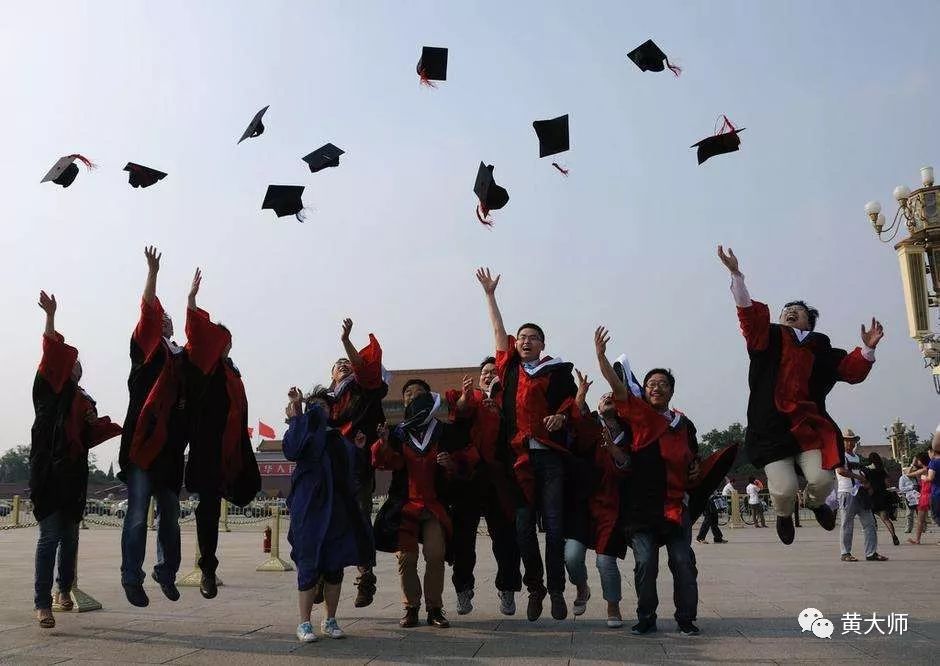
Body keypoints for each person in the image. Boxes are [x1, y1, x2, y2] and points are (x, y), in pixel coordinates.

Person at [717, 246, 883, 545]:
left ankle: (817, 503)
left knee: (822, 480)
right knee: (781, 489)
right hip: (771, 429)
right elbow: (747, 315)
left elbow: (850, 370)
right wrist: (736, 275)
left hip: (807, 427)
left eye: (799, 311)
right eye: (787, 311)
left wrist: (868, 349)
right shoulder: (767, 338)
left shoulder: (820, 346)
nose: (791, 312)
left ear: (809, 322)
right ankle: (783, 514)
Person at [593, 326, 736, 637]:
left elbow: (693, 459)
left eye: (663, 384)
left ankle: (686, 619)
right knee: (645, 563)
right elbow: (616, 387)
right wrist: (602, 358)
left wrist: (695, 471)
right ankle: (646, 617)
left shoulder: (684, 424)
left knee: (683, 562)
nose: (656, 388)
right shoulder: (640, 414)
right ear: (644, 391)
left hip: (675, 506)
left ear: (672, 391)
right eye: (651, 384)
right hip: (641, 510)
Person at [476, 267, 579, 622]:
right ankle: (534, 586)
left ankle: (555, 590)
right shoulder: (508, 369)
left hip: (549, 459)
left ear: (542, 344)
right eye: (521, 337)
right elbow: (496, 332)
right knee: (522, 527)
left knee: (553, 527)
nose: (525, 341)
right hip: (518, 460)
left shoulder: (557, 371)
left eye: (532, 337)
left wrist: (561, 417)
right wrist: (490, 296)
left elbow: (571, 403)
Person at [30, 291, 122, 628]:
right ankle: (43, 604)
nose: (75, 368)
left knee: (70, 537)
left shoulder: (83, 400)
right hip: (48, 472)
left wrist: (100, 425)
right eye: (70, 365)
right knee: (50, 536)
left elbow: (87, 434)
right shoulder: (47, 392)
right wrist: (51, 316)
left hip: (73, 476)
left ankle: (63, 590)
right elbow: (50, 351)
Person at [183, 269, 262, 598]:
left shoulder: (232, 371)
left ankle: (209, 565)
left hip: (232, 446)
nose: (224, 344)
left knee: (243, 490)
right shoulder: (204, 366)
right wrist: (191, 300)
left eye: (227, 341)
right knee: (209, 509)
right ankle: (208, 569)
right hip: (207, 446)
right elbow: (195, 335)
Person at [119, 247, 189, 607]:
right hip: (143, 443)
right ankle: (132, 576)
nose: (162, 320)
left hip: (171, 449)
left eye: (167, 319)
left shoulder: (180, 358)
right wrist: (153, 272)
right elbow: (147, 308)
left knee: (171, 515)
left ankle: (166, 570)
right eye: (157, 318)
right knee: (136, 513)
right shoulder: (147, 351)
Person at [372, 380, 471, 629]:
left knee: (436, 555)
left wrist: (451, 465)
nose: (412, 397)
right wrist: (383, 443)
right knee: (406, 558)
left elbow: (465, 464)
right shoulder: (397, 433)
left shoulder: (443, 432)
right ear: (403, 401)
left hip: (434, 505)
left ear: (430, 399)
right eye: (408, 394)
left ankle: (435, 608)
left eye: (419, 393)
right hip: (405, 506)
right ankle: (411, 607)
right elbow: (387, 462)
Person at [283, 386, 375, 643]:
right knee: (308, 563)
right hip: (309, 508)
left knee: (334, 565)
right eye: (315, 406)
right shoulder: (303, 430)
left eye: (324, 407)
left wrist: (357, 450)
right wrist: (298, 415)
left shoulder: (337, 438)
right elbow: (291, 449)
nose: (320, 410)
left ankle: (330, 619)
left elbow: (352, 474)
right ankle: (304, 623)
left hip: (336, 508)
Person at [444, 359, 522, 616]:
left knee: (505, 538)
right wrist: (467, 397)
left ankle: (507, 588)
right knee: (464, 538)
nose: (489, 376)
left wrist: (500, 410)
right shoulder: (470, 396)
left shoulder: (508, 399)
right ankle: (463, 588)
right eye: (485, 373)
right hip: (468, 478)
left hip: (498, 478)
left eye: (493, 372)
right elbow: (459, 410)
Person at [326, 318, 387, 608]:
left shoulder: (364, 389)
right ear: (331, 375)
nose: (345, 365)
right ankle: (321, 577)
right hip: (329, 468)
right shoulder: (325, 400)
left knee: (360, 518)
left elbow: (362, 368)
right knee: (326, 522)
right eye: (339, 364)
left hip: (358, 464)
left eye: (347, 362)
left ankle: (365, 578)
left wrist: (346, 342)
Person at [565, 372, 633, 628]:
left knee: (605, 560)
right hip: (584, 504)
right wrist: (580, 395)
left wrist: (614, 449)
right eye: (603, 396)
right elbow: (576, 422)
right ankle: (582, 588)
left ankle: (612, 605)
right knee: (572, 557)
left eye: (612, 396)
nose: (607, 397)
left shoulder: (631, 432)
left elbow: (629, 465)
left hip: (612, 506)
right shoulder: (592, 426)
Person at [836, 430, 886, 561]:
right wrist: (859, 477)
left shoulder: (856, 457)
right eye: (847, 440)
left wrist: (866, 484)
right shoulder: (840, 456)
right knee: (847, 524)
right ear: (843, 442)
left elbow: (860, 472)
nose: (850, 442)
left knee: (869, 523)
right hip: (847, 492)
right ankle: (845, 553)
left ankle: (871, 552)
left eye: (852, 440)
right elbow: (841, 471)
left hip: (860, 492)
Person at [864, 452, 900, 546]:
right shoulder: (882, 470)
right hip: (882, 496)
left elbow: (865, 482)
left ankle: (873, 538)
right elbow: (887, 483)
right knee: (886, 519)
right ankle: (894, 535)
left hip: (872, 496)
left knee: (871, 518)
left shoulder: (867, 470)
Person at [907, 451, 933, 544]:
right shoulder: (930, 469)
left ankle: (917, 539)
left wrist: (912, 463)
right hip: (931, 494)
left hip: (925, 495)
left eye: (917, 460)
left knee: (920, 520)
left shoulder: (924, 470)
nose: (917, 461)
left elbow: (908, 474)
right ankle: (917, 539)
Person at [897, 459, 920, 534]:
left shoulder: (915, 477)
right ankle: (908, 528)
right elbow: (901, 488)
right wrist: (911, 487)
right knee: (909, 513)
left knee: (920, 513)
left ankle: (922, 527)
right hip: (909, 497)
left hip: (917, 496)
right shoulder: (903, 478)